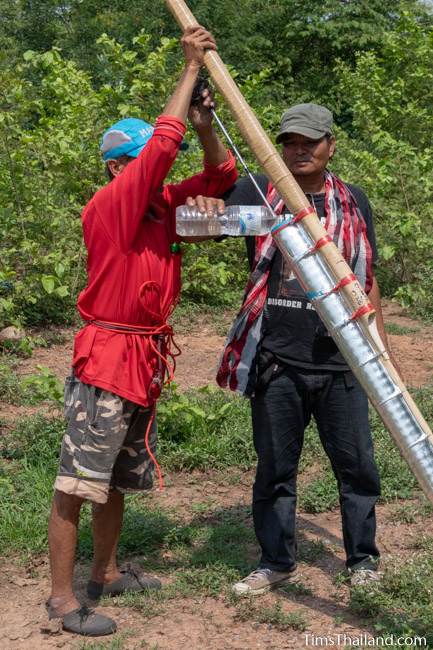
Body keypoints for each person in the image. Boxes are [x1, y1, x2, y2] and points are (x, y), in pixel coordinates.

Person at [46, 26, 237, 636]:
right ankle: (60, 599)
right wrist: (187, 71)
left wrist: (205, 124)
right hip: (106, 358)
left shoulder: (157, 208)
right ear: (116, 165)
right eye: (138, 161)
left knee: (114, 481)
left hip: (141, 360)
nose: (151, 169)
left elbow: (219, 179)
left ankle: (103, 573)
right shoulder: (110, 205)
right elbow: (161, 148)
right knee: (77, 483)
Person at [217, 103, 392, 595]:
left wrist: (381, 351)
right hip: (278, 359)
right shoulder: (260, 194)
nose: (300, 150)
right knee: (274, 468)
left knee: (357, 467)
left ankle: (362, 561)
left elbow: (366, 279)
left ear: (330, 145)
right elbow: (216, 187)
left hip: (342, 361)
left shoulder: (353, 202)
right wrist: (208, 126)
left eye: (310, 142)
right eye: (290, 142)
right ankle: (276, 561)